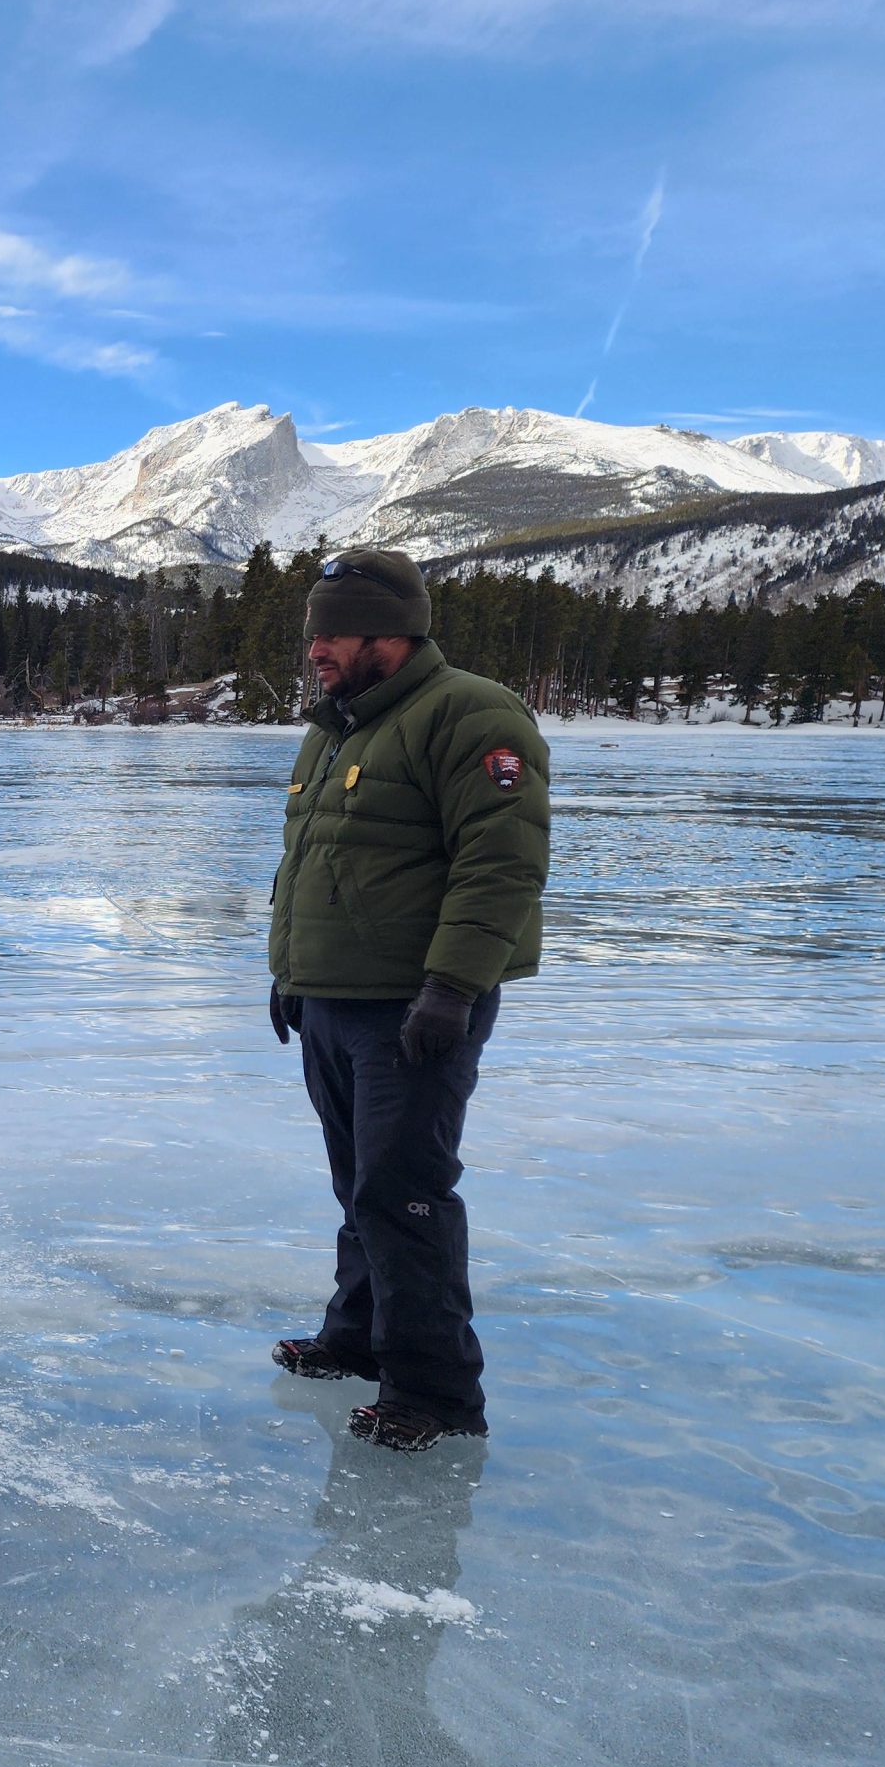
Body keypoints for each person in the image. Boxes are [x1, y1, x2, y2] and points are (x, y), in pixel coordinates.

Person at [266, 548, 549, 1452]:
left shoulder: (472, 713)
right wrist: (290, 972)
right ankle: (354, 1338)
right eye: (312, 631)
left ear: (392, 632)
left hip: (415, 1006)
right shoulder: (335, 728)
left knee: (406, 1192)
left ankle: (432, 1393)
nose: (315, 648)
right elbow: (306, 863)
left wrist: (452, 987)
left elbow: (501, 865)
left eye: (333, 631)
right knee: (360, 1188)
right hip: (333, 998)